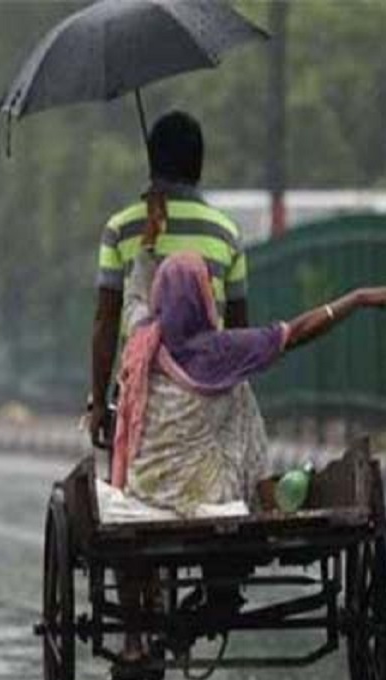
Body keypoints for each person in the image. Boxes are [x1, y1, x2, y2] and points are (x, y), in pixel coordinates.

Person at [108, 250, 386, 668]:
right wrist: (355, 299)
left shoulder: (142, 339)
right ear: (202, 298)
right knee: (240, 391)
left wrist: (145, 246)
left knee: (234, 394)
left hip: (148, 490)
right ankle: (246, 533)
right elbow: (299, 331)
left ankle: (134, 638)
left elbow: (133, 301)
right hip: (210, 496)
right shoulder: (226, 349)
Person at [91, 110, 249, 446]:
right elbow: (238, 330)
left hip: (138, 400)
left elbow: (106, 321)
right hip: (207, 398)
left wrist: (99, 404)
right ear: (198, 165)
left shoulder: (120, 230)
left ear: (151, 162)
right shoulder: (226, 234)